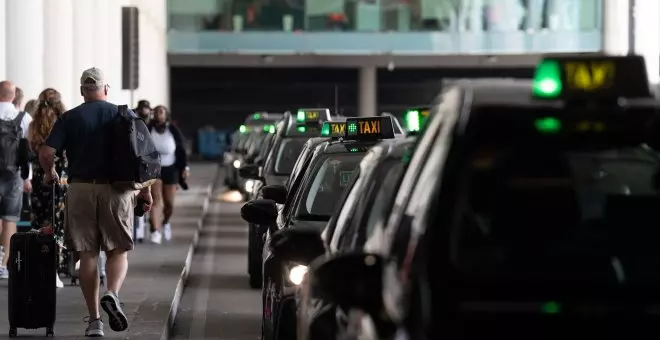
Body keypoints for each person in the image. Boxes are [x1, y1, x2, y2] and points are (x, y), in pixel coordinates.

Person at [38, 68, 153, 337]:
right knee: (118, 251)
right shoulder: (125, 115)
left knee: (87, 253)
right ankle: (112, 293)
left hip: (79, 190)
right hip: (118, 190)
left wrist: (49, 173)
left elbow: (46, 152)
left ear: (82, 91)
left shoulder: (70, 117)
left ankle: (94, 321)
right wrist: (146, 193)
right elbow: (146, 160)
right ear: (106, 89)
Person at [27, 88, 67, 289]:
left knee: (38, 222)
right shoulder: (63, 123)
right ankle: (54, 270)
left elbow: (30, 152)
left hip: (38, 181)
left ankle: (38, 267)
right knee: (57, 223)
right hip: (59, 180)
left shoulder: (34, 125)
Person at [0, 81, 32, 280]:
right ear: (13, 96)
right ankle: (4, 264)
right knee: (10, 218)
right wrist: (27, 177)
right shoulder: (23, 117)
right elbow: (27, 149)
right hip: (14, 174)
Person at [148, 105, 189, 244]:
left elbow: (182, 149)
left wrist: (184, 167)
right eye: (156, 112)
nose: (158, 115)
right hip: (154, 169)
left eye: (161, 112)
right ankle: (155, 230)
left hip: (171, 168)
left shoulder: (172, 130)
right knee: (156, 200)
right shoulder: (149, 129)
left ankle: (165, 222)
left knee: (169, 204)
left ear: (166, 115)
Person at [133, 100, 152, 243]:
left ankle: (139, 231)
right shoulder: (134, 121)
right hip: (138, 166)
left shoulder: (150, 123)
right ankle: (136, 231)